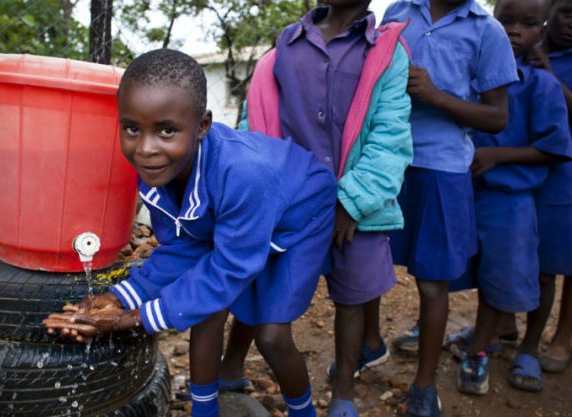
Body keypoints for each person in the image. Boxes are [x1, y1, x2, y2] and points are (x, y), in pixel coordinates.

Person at [43, 48, 337, 417]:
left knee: (272, 336)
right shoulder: (155, 171)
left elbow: (230, 267)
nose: (146, 148)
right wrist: (118, 298)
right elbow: (183, 246)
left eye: (167, 130)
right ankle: (204, 408)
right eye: (132, 128)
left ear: (202, 126)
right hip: (243, 221)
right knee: (207, 311)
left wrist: (135, 319)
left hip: (299, 216)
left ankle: (303, 411)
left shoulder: (243, 174)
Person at [218, 2, 413, 416]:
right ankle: (230, 367)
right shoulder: (287, 46)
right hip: (289, 202)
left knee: (353, 295)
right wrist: (256, 191)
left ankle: (343, 389)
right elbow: (259, 118)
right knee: (260, 282)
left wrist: (351, 201)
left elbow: (389, 138)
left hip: (355, 207)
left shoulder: (386, 52)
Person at [381, 0, 517, 415]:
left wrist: (437, 96)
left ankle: (424, 384)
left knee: (432, 281)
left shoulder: (486, 30)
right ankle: (368, 345)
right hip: (384, 162)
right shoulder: (397, 12)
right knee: (366, 264)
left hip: (442, 168)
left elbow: (497, 117)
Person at [454, 0, 572, 396]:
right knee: (486, 270)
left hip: (525, 194)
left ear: (540, 31)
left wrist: (496, 156)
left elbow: (555, 145)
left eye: (527, 24)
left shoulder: (541, 82)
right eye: (506, 20)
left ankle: (525, 348)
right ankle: (486, 337)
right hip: (481, 194)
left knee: (538, 270)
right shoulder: (475, 74)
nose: (515, 31)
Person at [522, 0, 572, 376]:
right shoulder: (524, 46)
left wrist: (551, 73)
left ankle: (563, 336)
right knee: (521, 249)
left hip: (566, 176)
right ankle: (503, 323)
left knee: (562, 260)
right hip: (527, 170)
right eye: (567, 11)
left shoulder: (549, 63)